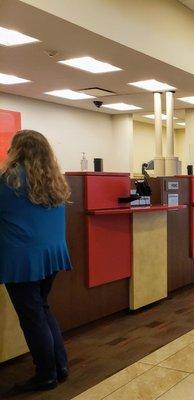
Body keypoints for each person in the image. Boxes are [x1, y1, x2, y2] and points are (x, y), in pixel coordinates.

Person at [0, 130, 72, 392]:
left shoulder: (8, 180)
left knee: (32, 317)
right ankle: (60, 366)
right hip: (51, 255)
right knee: (41, 309)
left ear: (16, 151)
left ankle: (45, 375)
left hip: (22, 259)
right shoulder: (55, 181)